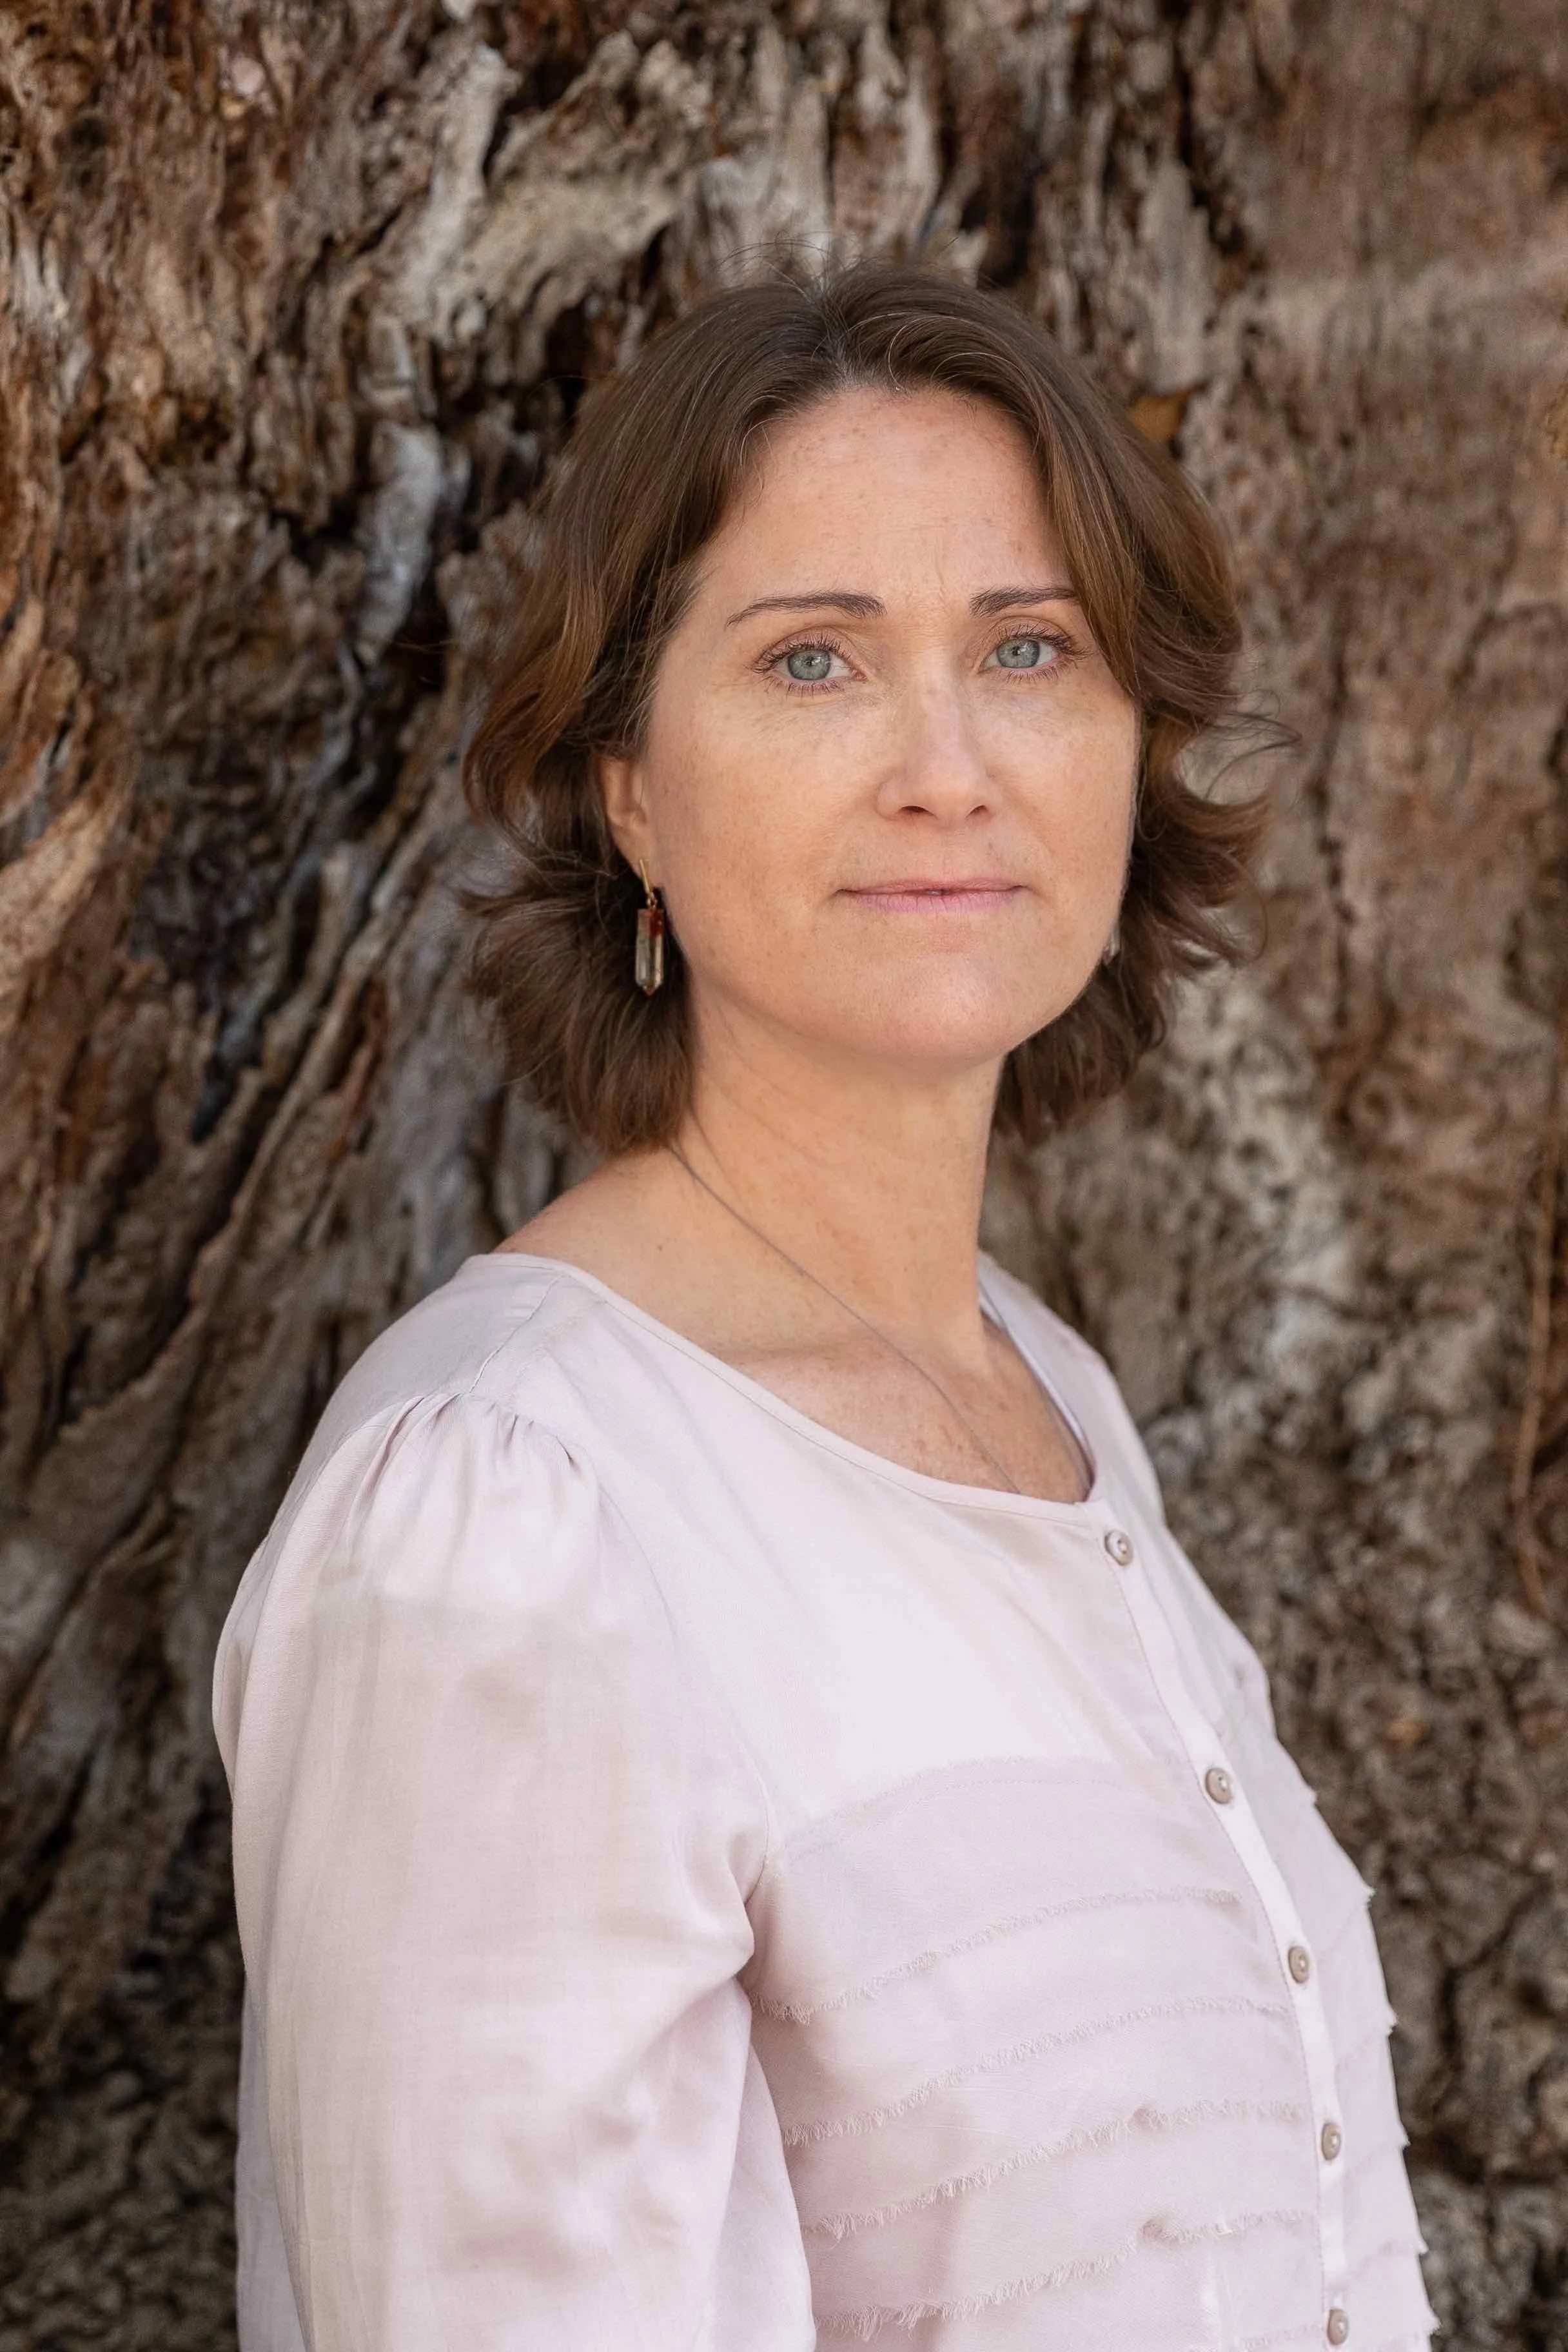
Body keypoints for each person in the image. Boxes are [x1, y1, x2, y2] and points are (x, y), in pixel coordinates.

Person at [213, 260, 1438, 2351]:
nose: (948, 767)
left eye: (1030, 648)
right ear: (626, 788)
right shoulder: (514, 1519)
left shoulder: (1039, 1387)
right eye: (813, 662)